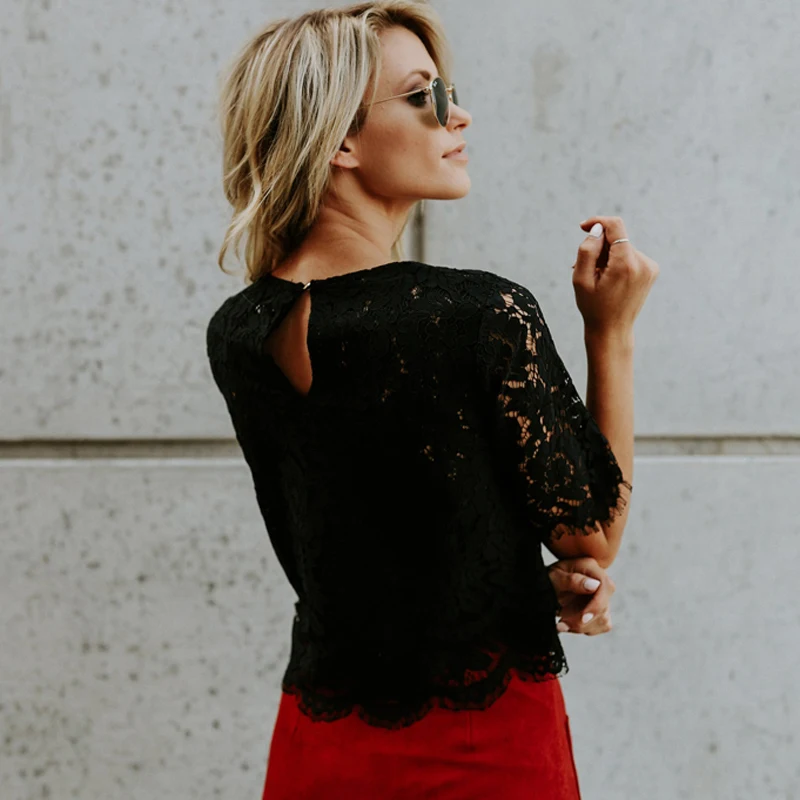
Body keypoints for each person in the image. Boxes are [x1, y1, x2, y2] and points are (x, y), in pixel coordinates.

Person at [205, 1, 658, 797]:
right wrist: (611, 331)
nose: (459, 114)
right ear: (340, 140)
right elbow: (591, 529)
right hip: (482, 749)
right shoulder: (475, 314)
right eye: (425, 96)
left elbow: (365, 561)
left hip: (317, 745)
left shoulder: (240, 330)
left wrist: (514, 587)